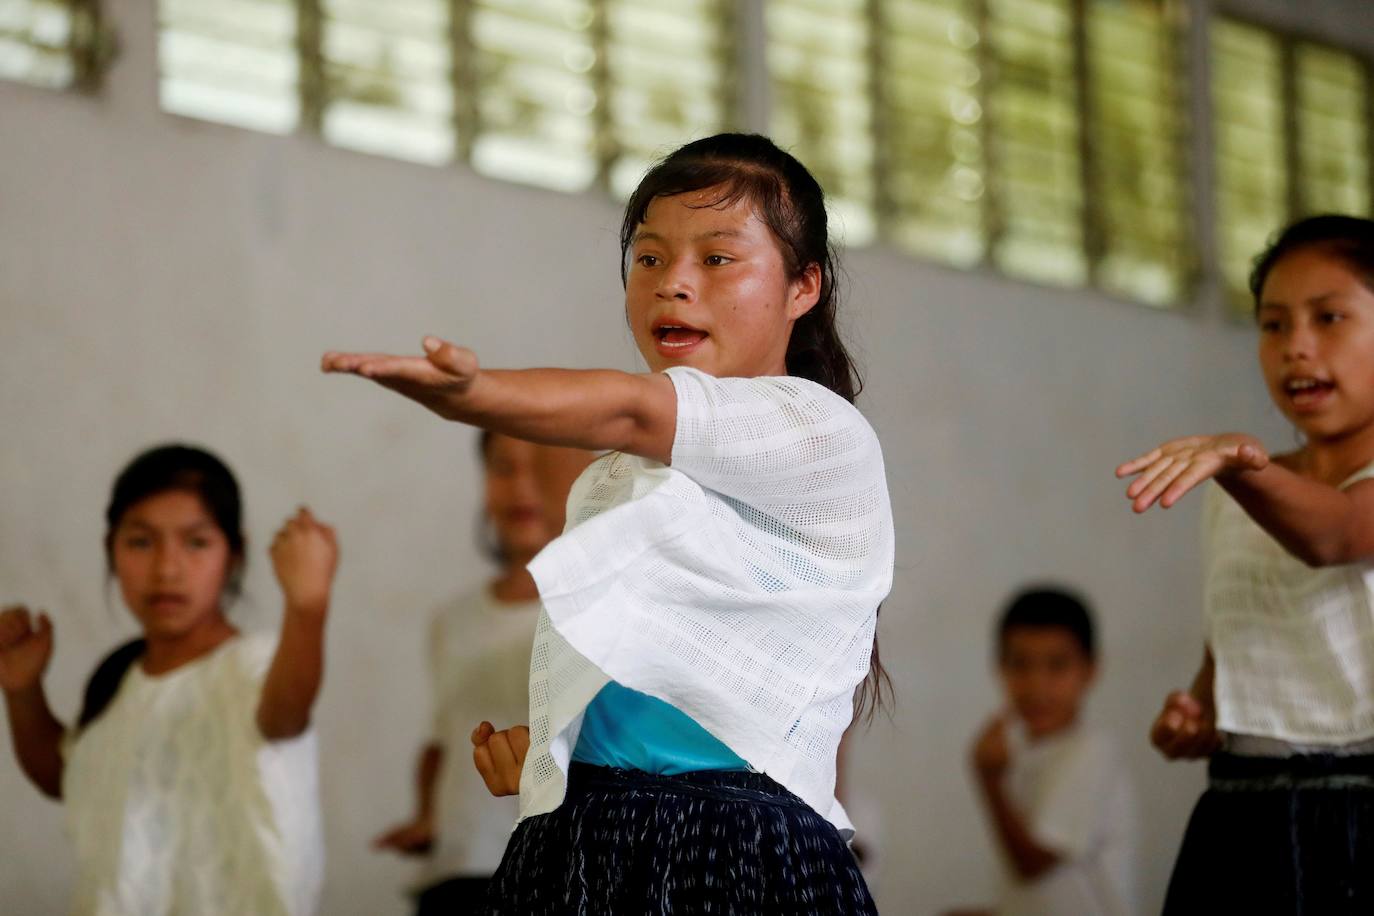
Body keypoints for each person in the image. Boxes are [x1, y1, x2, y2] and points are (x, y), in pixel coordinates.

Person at [324, 132, 894, 913]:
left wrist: (477, 395)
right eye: (650, 257)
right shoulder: (616, 481)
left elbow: (631, 408)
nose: (674, 284)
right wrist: (556, 749)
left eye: (717, 258)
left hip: (739, 846)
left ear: (804, 287)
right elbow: (647, 683)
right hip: (585, 837)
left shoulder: (821, 432)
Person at [1118, 215, 1374, 912]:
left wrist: (1241, 466)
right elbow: (1231, 655)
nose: (1297, 346)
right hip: (1241, 818)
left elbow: (1338, 534)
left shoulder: (1242, 476)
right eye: (1273, 324)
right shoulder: (1236, 489)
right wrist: (1196, 716)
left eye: (1329, 318)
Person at [0, 444, 337, 916]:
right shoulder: (119, 677)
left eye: (196, 543)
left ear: (234, 555)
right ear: (111, 550)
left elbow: (285, 714)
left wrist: (307, 608)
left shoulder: (255, 665)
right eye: (141, 542)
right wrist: (22, 690)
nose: (166, 569)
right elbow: (66, 779)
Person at [373, 432, 591, 915]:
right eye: (504, 468)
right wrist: (428, 819)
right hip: (456, 875)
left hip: (554, 869)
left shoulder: (600, 606)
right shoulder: (453, 620)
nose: (522, 486)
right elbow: (443, 738)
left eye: (542, 465)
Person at [966, 587, 1136, 916]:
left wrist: (989, 780)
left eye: (1057, 666)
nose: (1037, 685)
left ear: (1090, 670)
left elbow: (1031, 864)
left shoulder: (1092, 752)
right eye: (1020, 665)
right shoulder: (1018, 753)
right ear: (999, 667)